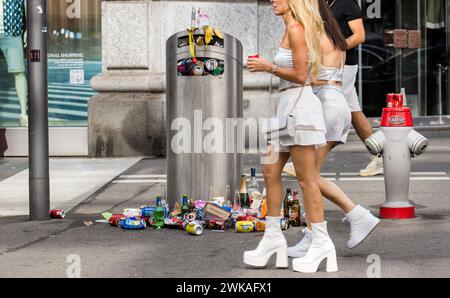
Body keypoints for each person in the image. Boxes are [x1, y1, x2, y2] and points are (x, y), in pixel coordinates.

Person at [244, 0, 338, 273]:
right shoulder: (289, 28)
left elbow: (301, 75)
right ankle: (273, 238)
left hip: (300, 109)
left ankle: (322, 242)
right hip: (285, 109)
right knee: (270, 170)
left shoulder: (296, 29)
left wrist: (267, 67)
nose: (273, 0)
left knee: (305, 179)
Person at [287, 0, 380, 258]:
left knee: (308, 177)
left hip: (329, 107)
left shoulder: (321, 36)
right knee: (307, 176)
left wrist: (275, 68)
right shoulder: (331, 36)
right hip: (333, 105)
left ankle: (356, 214)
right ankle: (313, 233)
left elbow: (308, 75)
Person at [283, 0, 383, 177]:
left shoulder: (347, 3)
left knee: (325, 109)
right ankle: (380, 155)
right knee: (352, 111)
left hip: (342, 67)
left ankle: (307, 159)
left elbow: (359, 35)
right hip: (326, 66)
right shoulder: (320, 3)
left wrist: (333, 48)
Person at [0, 0, 28, 126]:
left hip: (13, 32)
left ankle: (24, 113)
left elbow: (28, 8)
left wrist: (28, 29)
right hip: (12, 32)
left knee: (19, 72)